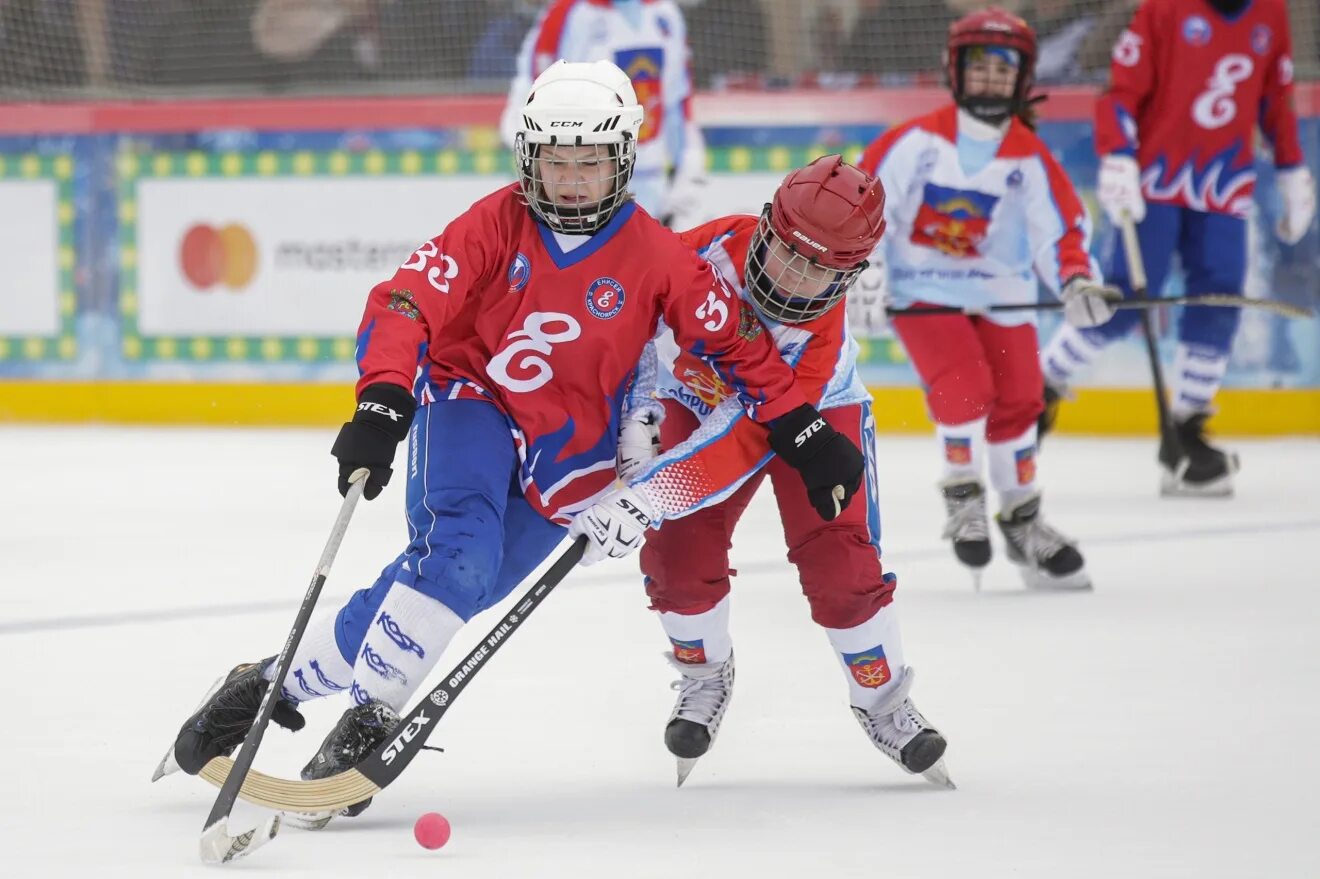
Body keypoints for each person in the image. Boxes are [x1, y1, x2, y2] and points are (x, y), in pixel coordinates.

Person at [153, 60, 866, 820]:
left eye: (590, 161)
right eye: (554, 161)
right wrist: (384, 400)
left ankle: (271, 682)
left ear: (621, 159)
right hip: (474, 400)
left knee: (450, 588)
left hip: (572, 460)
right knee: (457, 558)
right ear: (529, 158)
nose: (570, 180)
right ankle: (368, 714)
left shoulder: (659, 257)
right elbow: (404, 299)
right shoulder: (495, 223)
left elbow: (741, 352)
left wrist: (805, 426)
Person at [606, 155, 953, 788]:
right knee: (675, 555)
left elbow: (739, 442)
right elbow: (623, 324)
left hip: (814, 420)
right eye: (787, 252)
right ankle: (704, 676)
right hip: (693, 398)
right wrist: (636, 427)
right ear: (765, 224)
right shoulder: (702, 250)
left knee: (842, 565)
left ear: (850, 276)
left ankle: (884, 703)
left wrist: (648, 495)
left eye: (819, 270)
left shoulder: (817, 340)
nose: (792, 279)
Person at [855, 7, 1119, 590]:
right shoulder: (916, 142)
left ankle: (1022, 520)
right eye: (982, 66)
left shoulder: (1028, 156)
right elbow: (864, 203)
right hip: (925, 294)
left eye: (1006, 69)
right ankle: (963, 494)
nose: (993, 80)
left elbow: (1061, 232)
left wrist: (1077, 282)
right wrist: (865, 271)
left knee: (1023, 399)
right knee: (964, 387)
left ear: (1023, 79)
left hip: (1005, 296)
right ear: (957, 70)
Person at [1036, 0, 1315, 496]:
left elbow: (1275, 94)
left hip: (1225, 182)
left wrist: (1292, 168)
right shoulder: (1162, 10)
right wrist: (1118, 158)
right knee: (1124, 301)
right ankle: (1041, 385)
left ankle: (1187, 430)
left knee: (1220, 300)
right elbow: (1119, 94)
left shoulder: (1269, 13)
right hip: (1155, 180)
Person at [498, 0, 708, 229]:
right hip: (587, 186)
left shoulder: (666, 12)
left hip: (654, 184)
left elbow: (678, 103)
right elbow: (529, 96)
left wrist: (687, 175)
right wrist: (540, 176)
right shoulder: (567, 14)